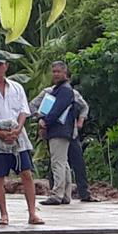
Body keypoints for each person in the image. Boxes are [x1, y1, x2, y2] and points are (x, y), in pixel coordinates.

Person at [0, 52, 44, 227]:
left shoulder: (16, 88)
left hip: (18, 137)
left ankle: (32, 213)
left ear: (6, 66)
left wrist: (18, 129)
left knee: (26, 174)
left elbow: (23, 111)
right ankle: (4, 214)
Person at [32, 82, 97, 202]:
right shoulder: (48, 92)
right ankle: (60, 192)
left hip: (71, 132)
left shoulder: (73, 94)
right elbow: (33, 106)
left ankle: (77, 193)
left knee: (74, 163)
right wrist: (40, 118)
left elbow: (84, 107)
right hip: (54, 130)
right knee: (58, 163)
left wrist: (81, 120)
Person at [37, 61, 76, 205]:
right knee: (63, 163)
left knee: (57, 162)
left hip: (59, 130)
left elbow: (57, 109)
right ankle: (65, 194)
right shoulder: (60, 89)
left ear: (65, 73)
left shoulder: (64, 90)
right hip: (60, 130)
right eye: (53, 71)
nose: (55, 74)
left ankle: (57, 194)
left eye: (58, 71)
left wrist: (45, 121)